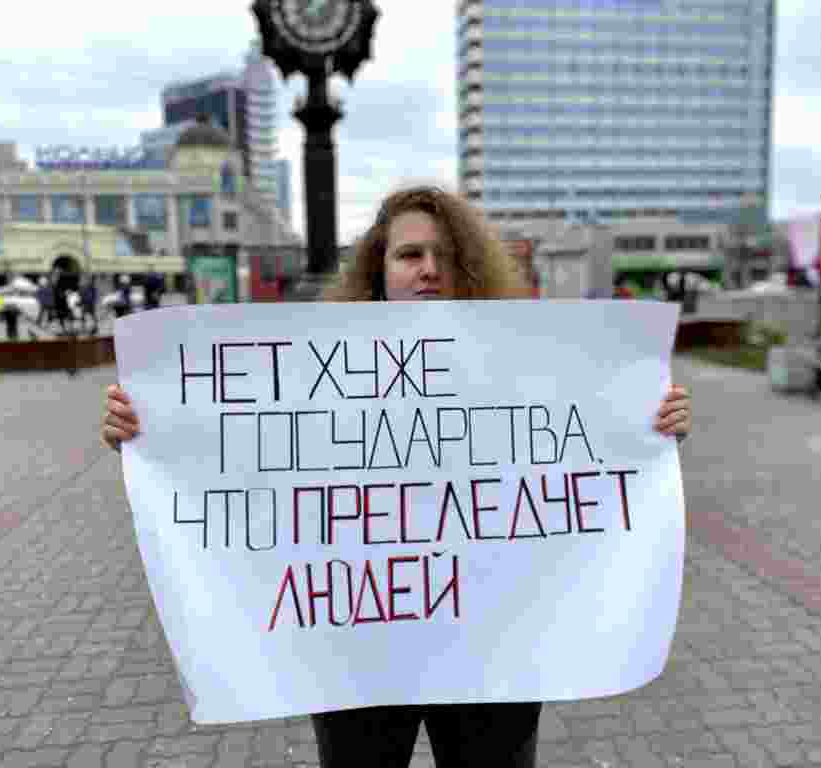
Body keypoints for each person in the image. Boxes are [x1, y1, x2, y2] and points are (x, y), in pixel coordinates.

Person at [100, 185, 692, 768]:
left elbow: (587, 440)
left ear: (468, 268)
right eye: (410, 254)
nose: (429, 269)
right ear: (378, 271)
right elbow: (239, 448)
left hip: (496, 644)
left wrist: (649, 425)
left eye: (445, 255)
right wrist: (151, 428)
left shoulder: (528, 363)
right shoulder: (315, 367)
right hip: (359, 651)